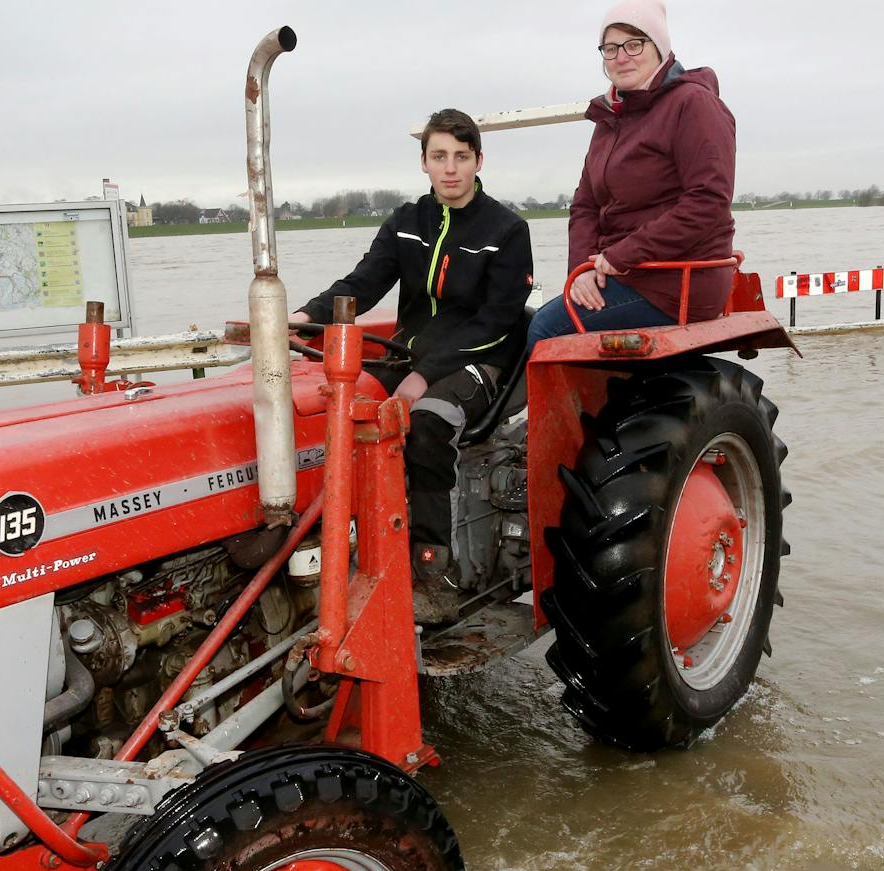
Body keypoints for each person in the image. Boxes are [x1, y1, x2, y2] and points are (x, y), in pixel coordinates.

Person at [292, 108, 534, 626]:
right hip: (410, 352)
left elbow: (497, 320)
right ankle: (343, 547)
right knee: (331, 408)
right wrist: (303, 317)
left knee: (425, 422)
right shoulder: (407, 223)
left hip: (483, 360)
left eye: (461, 157)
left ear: (478, 162)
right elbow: (362, 283)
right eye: (439, 156)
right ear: (423, 162)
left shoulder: (507, 230)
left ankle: (434, 572)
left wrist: (425, 375)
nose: (450, 168)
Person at [524, 0, 737, 351]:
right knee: (529, 317)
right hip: (624, 273)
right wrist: (581, 270)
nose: (621, 57)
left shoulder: (693, 105)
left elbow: (708, 201)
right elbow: (584, 206)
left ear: (660, 48)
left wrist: (619, 256)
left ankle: (565, 409)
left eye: (634, 44)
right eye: (610, 48)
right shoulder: (611, 119)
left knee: (547, 329)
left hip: (676, 281)